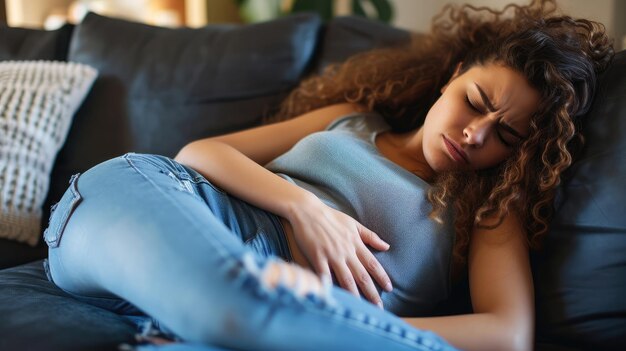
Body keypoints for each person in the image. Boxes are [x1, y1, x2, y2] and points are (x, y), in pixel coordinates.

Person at [42, 0, 613, 350]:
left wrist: (348, 321)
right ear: (455, 74)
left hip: (187, 300)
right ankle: (284, 317)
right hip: (154, 210)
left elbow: (506, 336)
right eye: (476, 100)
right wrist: (305, 209)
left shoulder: (489, 205)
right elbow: (200, 154)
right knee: (211, 272)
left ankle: (278, 319)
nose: (475, 134)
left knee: (224, 313)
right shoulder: (352, 121)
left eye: (506, 135)